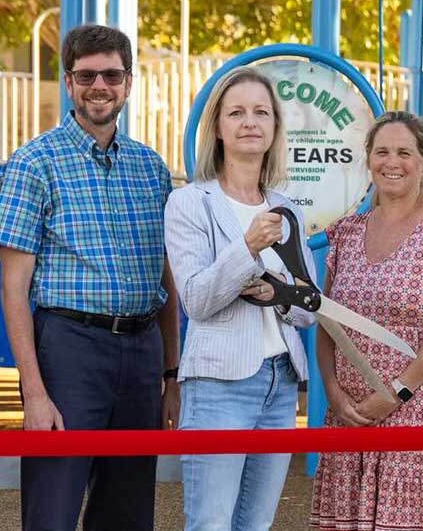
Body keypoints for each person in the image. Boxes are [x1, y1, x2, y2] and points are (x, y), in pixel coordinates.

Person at [0, 24, 180, 531]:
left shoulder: (152, 168)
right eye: (88, 75)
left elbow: (166, 277)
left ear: (129, 82)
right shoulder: (34, 163)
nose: (101, 86)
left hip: (142, 352)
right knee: (53, 508)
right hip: (68, 349)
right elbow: (12, 287)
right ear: (69, 83)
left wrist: (171, 374)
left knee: (128, 511)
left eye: (112, 75)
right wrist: (32, 390)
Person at [310, 111, 423, 531]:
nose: (392, 162)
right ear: (368, 159)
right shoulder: (347, 232)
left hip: (421, 411)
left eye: (404, 152)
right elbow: (326, 318)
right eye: (382, 151)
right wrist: (333, 393)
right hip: (352, 415)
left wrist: (395, 393)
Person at [163, 66, 314, 531]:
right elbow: (195, 300)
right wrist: (247, 248)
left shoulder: (287, 206)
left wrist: (277, 295)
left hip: (280, 381)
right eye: (237, 112)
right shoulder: (191, 203)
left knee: (256, 525)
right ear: (219, 128)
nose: (250, 121)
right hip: (218, 385)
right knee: (210, 524)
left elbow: (306, 308)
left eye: (261, 112)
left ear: (274, 128)